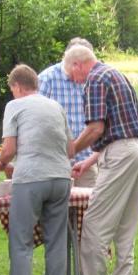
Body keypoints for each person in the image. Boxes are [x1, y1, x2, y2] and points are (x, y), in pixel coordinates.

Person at [64, 44, 138, 275]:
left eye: (71, 74)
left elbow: (96, 128)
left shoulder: (95, 79)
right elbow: (120, 128)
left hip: (120, 153)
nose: (73, 80)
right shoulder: (116, 74)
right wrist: (90, 160)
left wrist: (70, 151)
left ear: (78, 64)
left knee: (93, 223)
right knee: (126, 224)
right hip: (137, 149)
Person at [0, 64, 73, 275]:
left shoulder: (15, 106)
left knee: (21, 241)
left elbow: (8, 150)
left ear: (17, 87)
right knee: (57, 240)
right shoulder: (55, 106)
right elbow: (70, 150)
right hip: (61, 177)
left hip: (30, 178)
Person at [39, 37, 98, 188]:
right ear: (73, 61)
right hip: (54, 164)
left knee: (89, 209)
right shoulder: (47, 79)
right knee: (58, 210)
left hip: (87, 162)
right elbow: (36, 121)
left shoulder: (94, 80)